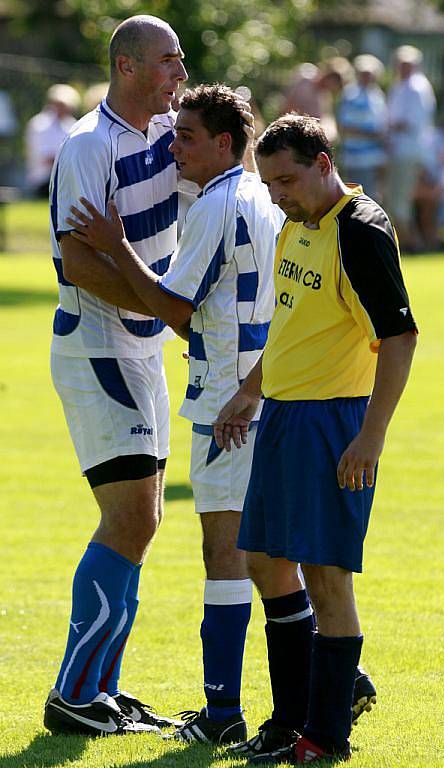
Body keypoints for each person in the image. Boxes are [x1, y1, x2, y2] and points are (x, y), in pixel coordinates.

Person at [64, 82, 284, 745]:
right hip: (263, 392)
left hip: (227, 404)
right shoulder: (259, 198)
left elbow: (175, 309)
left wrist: (113, 241)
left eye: (186, 136)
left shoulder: (218, 205)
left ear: (225, 143)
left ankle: (221, 717)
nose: (172, 144)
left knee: (225, 556)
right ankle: (319, 684)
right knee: (269, 554)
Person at [213, 114, 417, 764]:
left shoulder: (359, 231)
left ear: (324, 162)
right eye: (269, 183)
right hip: (283, 417)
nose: (277, 195)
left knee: (327, 580)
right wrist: (250, 390)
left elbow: (400, 337)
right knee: (266, 564)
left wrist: (371, 436)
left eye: (288, 180)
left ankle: (325, 735)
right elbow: (293, 326)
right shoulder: (296, 227)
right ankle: (297, 713)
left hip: (334, 422)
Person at [44, 14, 188, 736]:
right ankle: (74, 694)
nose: (180, 75)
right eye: (169, 62)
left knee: (145, 520)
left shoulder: (169, 135)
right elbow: (78, 260)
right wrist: (166, 307)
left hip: (143, 347)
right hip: (98, 348)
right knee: (129, 517)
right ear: (127, 67)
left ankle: (102, 687)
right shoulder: (86, 146)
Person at [385, 44, 436, 252]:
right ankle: (408, 243)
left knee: (399, 202)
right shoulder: (402, 86)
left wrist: (386, 127)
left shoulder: (416, 88)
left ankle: (412, 245)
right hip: (399, 151)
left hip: (407, 152)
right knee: (396, 201)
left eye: (407, 64)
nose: (402, 67)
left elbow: (412, 122)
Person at [337, 54, 387, 201]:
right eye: (364, 74)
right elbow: (345, 127)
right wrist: (372, 135)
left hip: (375, 157)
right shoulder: (351, 94)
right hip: (357, 157)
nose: (368, 77)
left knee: (373, 197)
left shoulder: (377, 94)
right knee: (360, 199)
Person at [25, 84, 80, 198]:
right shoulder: (39, 124)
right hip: (44, 180)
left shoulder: (71, 123)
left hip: (66, 178)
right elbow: (46, 158)